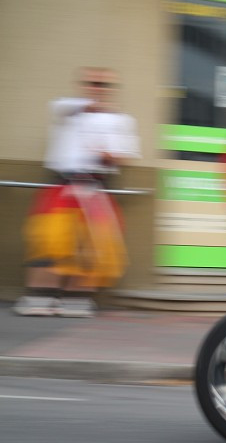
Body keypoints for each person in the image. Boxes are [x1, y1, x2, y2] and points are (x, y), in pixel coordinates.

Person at [14, 67, 140, 317]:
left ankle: (76, 299)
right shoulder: (67, 109)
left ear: (111, 90)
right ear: (83, 85)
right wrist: (88, 106)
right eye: (93, 83)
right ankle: (39, 298)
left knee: (90, 247)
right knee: (48, 243)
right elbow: (62, 107)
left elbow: (125, 156)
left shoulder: (120, 121)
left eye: (103, 85)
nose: (97, 89)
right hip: (62, 186)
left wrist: (108, 155)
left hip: (95, 188)